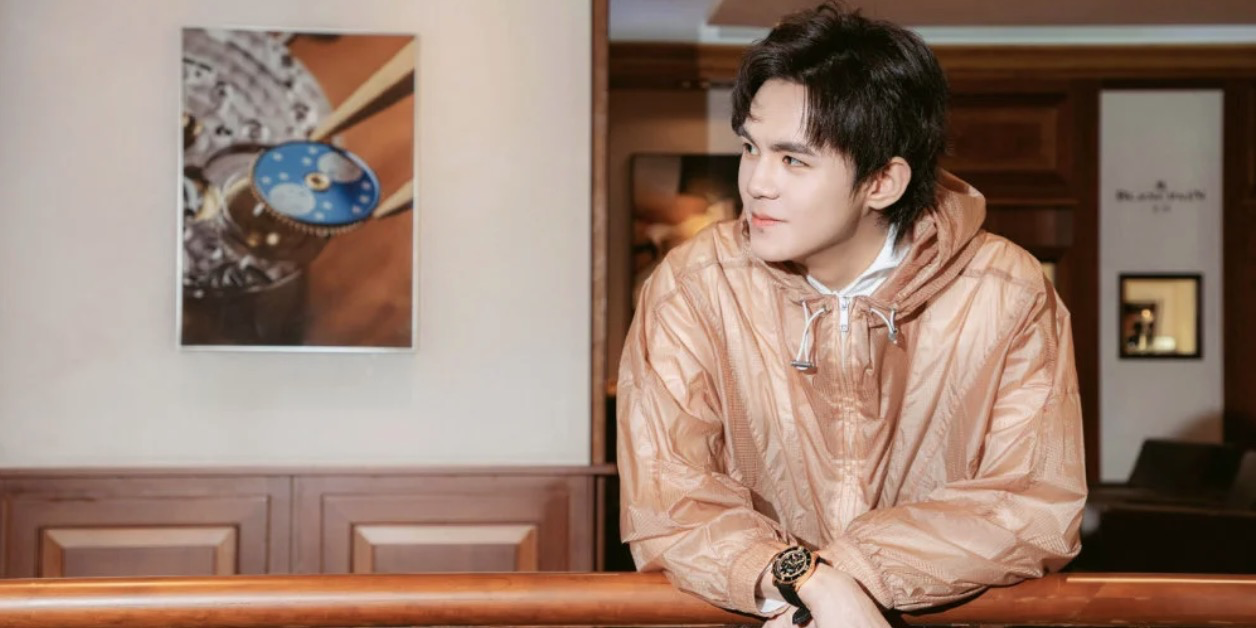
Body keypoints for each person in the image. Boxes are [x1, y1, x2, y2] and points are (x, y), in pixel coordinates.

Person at [615, 3, 1087, 627]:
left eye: (793, 159)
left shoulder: (1006, 291)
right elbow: (667, 499)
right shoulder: (694, 284)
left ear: (883, 182)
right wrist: (810, 584)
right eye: (751, 148)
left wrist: (848, 576)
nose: (757, 182)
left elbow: (1033, 503)